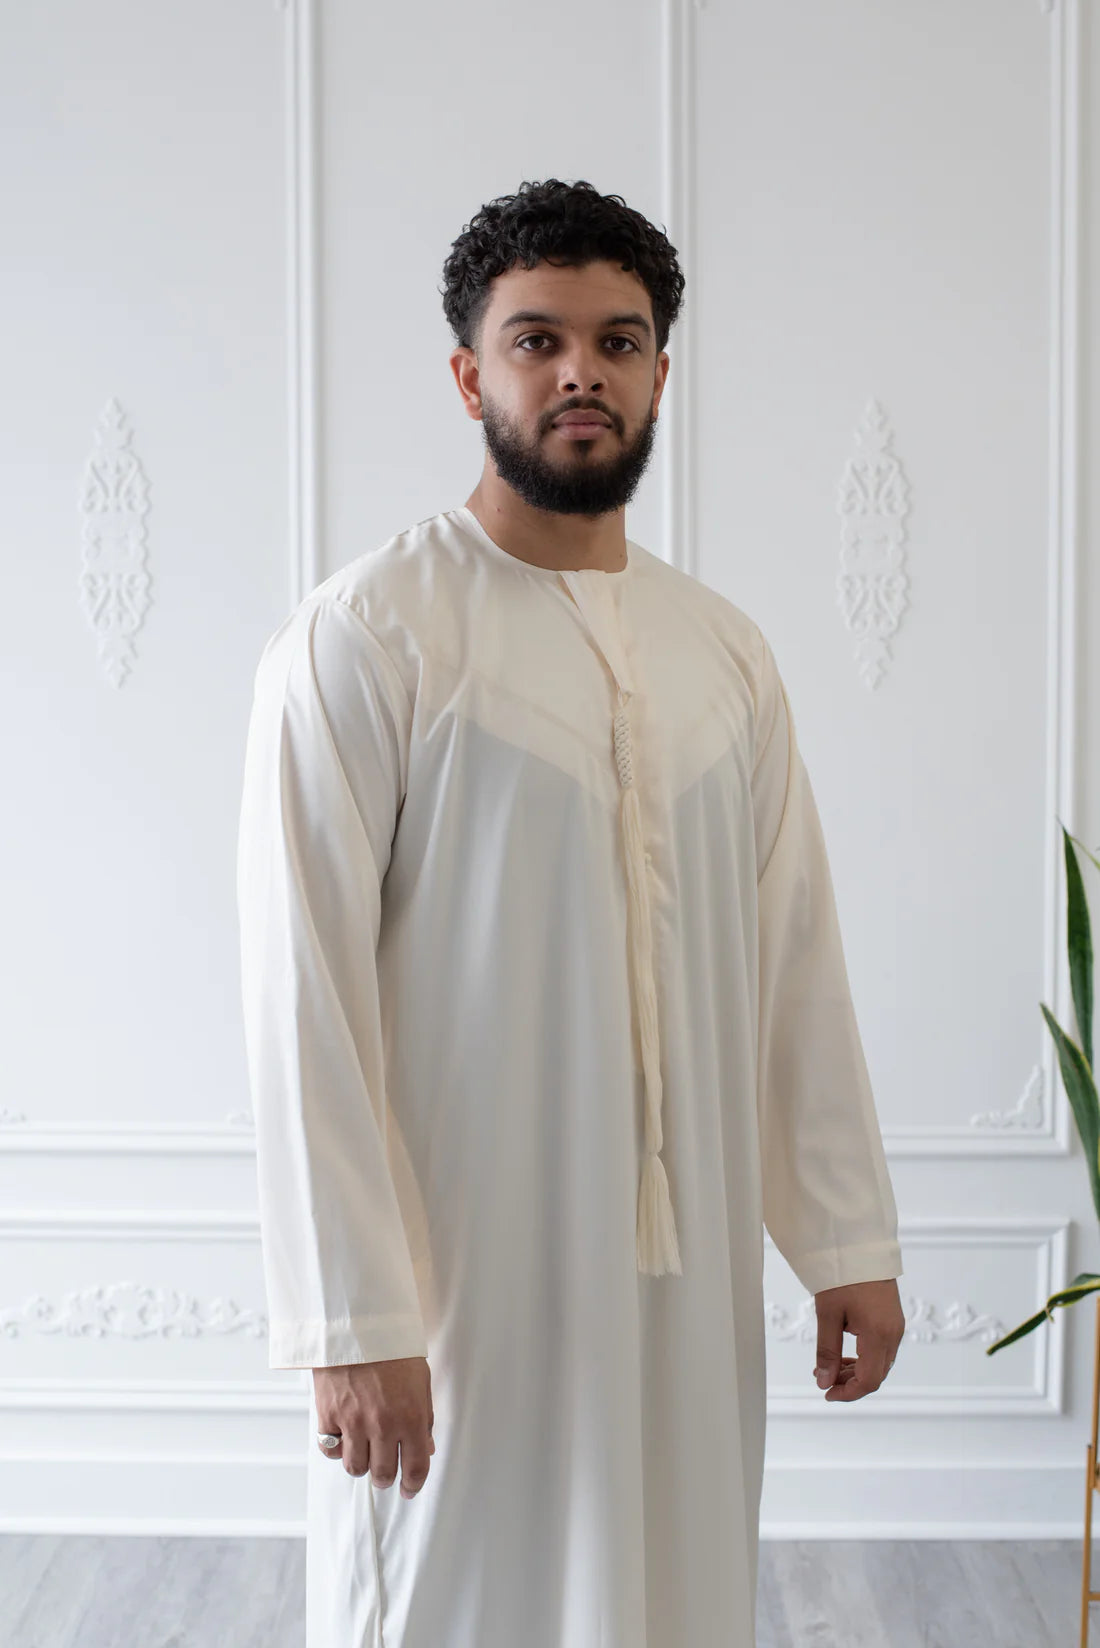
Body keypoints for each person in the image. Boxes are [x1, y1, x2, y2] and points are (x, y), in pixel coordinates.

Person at [236, 176, 905, 1648]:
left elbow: (792, 959)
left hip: (684, 1281)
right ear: (470, 375)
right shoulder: (370, 637)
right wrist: (352, 1319)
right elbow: (303, 999)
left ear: (662, 373)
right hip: (460, 1285)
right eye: (537, 340)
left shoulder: (723, 654)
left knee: (673, 1595)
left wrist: (845, 1232)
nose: (580, 372)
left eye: (619, 340)